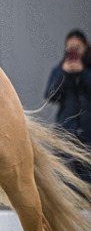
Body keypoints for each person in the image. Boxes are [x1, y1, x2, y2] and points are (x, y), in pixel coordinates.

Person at [45, 30, 91, 184]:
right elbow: (50, 96)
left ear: (85, 47)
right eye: (70, 48)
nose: (74, 52)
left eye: (77, 47)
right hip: (66, 133)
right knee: (66, 179)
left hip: (88, 134)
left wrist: (83, 73)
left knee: (87, 178)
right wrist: (63, 74)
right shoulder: (59, 70)